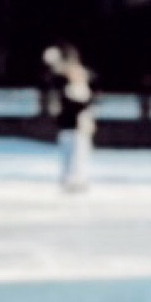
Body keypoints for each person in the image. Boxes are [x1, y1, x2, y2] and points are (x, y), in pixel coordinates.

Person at [52, 45, 96, 192]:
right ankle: (69, 179)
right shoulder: (65, 88)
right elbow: (72, 106)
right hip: (68, 126)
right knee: (69, 154)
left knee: (80, 155)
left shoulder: (82, 89)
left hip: (79, 127)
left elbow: (85, 107)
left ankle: (79, 180)